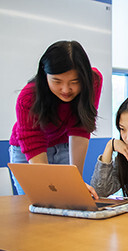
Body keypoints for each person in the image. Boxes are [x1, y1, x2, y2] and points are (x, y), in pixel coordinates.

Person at [9, 40, 102, 197]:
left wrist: (76, 182)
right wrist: (48, 187)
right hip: (28, 150)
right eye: (57, 81)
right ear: (45, 75)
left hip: (64, 144)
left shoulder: (93, 81)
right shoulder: (28, 97)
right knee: (40, 200)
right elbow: (33, 142)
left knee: (70, 197)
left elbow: (80, 127)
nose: (66, 90)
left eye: (74, 82)